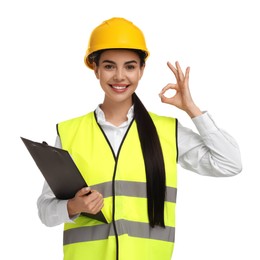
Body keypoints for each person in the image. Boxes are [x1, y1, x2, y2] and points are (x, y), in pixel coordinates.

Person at [37, 17, 242, 260]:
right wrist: (73, 207)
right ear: (96, 69)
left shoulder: (166, 131)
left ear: (141, 70)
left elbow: (230, 163)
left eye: (130, 66)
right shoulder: (71, 132)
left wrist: (191, 109)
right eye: (110, 66)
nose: (120, 76)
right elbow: (45, 210)